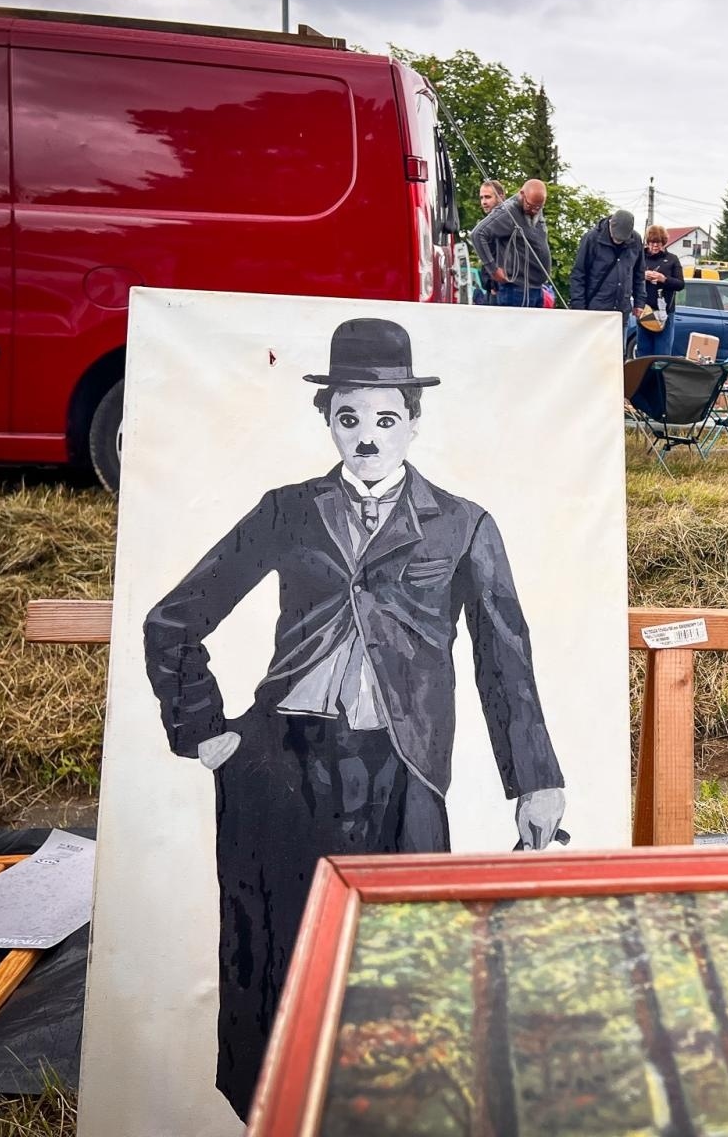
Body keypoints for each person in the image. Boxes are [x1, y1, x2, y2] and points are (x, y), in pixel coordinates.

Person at [143, 318, 567, 1117]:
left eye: (384, 420)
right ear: (328, 420)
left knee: (405, 957)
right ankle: (275, 1113)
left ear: (412, 419)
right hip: (280, 766)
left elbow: (504, 661)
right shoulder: (285, 511)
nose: (366, 439)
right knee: (274, 955)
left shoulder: (463, 524)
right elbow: (172, 620)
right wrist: (205, 734)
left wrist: (536, 782)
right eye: (349, 419)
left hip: (399, 772)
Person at [470, 179, 553, 308]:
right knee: (517, 328)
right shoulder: (507, 212)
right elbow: (477, 234)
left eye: (539, 207)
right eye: (530, 206)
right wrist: (493, 270)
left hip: (536, 287)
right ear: (522, 194)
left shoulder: (534, 205)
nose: (534, 211)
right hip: (517, 289)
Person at [570, 209, 645, 349]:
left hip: (621, 312)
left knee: (617, 357)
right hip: (595, 311)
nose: (618, 240)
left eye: (622, 239)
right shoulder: (592, 238)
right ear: (610, 224)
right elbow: (579, 274)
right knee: (592, 353)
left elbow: (639, 273)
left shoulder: (635, 240)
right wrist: (579, 308)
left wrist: (639, 302)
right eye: (616, 237)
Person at [638, 224, 685, 358]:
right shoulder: (640, 257)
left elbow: (680, 284)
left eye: (658, 243)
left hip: (665, 313)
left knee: (662, 353)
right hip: (644, 311)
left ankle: (661, 379)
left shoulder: (672, 259)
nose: (654, 246)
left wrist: (663, 279)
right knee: (643, 352)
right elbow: (628, 277)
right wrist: (642, 276)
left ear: (663, 243)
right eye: (652, 243)